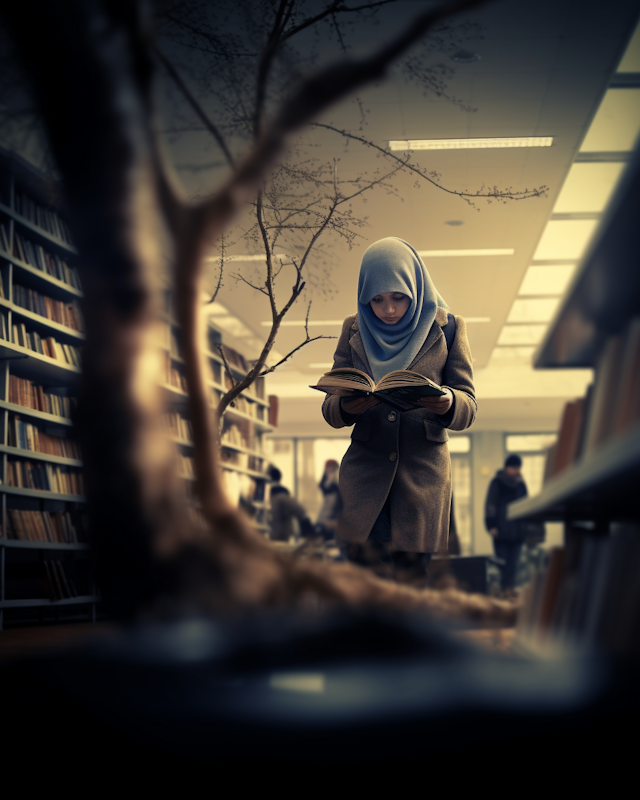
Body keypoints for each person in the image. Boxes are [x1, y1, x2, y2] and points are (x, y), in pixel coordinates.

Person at [321, 236, 477, 586]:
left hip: (421, 479)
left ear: (416, 290)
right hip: (364, 479)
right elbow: (331, 408)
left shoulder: (449, 327)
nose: (388, 310)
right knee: (365, 587)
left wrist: (449, 402)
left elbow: (469, 403)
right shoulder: (353, 329)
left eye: (399, 298)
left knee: (411, 586)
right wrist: (347, 406)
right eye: (377, 299)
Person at [484, 454, 528, 597]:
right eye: (514, 467)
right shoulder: (497, 482)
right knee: (502, 565)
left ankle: (510, 594)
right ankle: (502, 595)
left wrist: (527, 530)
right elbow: (490, 505)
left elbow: (526, 506)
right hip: (501, 532)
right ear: (507, 467)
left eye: (518, 468)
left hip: (518, 533)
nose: (516, 471)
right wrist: (491, 525)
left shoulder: (521, 484)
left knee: (514, 567)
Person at [267, 465, 313, 542]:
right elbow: (302, 512)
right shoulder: (283, 496)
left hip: (276, 537)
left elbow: (300, 511)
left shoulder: (276, 496)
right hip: (282, 536)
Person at [315, 459, 342, 539]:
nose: (334, 472)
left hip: (332, 520)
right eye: (332, 469)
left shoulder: (333, 483)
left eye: (335, 470)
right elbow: (328, 505)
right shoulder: (327, 484)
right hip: (327, 520)